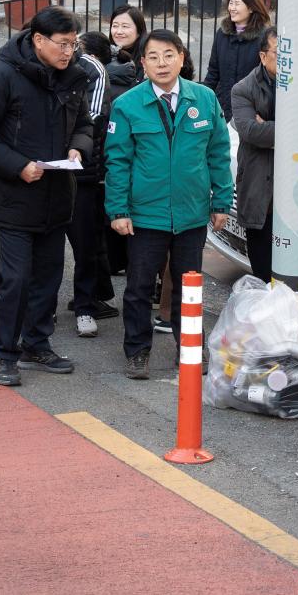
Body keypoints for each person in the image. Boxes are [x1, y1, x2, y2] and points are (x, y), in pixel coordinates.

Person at [0, 6, 94, 387]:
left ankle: (37, 343)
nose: (70, 51)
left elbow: (84, 123)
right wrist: (18, 165)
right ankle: (5, 353)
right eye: (63, 44)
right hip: (15, 196)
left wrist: (77, 149)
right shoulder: (0, 75)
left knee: (50, 276)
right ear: (38, 40)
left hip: (57, 194)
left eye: (74, 44)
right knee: (16, 278)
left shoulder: (73, 76)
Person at [104, 29, 233, 380]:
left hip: (191, 214)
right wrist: (118, 210)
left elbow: (219, 153)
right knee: (139, 287)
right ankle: (137, 351)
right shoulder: (127, 105)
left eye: (168, 55)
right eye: (153, 57)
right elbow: (117, 162)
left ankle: (189, 349)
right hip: (145, 216)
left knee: (188, 286)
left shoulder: (204, 99)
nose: (162, 63)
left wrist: (221, 201)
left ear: (181, 57)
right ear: (142, 63)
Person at [231, 26, 298, 329]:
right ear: (264, 56)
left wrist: (272, 128)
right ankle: (272, 338)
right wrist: (296, 131)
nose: (289, 62)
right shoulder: (243, 89)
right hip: (262, 197)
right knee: (265, 275)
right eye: (280, 54)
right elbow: (249, 131)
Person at [65, 31, 118, 338]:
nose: (65, 50)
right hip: (41, 169)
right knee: (39, 243)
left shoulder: (91, 68)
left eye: (69, 43)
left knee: (84, 244)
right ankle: (36, 306)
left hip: (83, 170)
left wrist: (63, 143)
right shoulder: (32, 66)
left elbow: (95, 120)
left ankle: (86, 306)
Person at [104, 5, 147, 275]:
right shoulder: (104, 58)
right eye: (115, 25)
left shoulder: (146, 60)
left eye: (125, 26)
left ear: (139, 30)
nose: (118, 31)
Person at [202, 0, 271, 122]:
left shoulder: (264, 37)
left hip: (252, 111)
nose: (232, 8)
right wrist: (202, 100)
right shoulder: (222, 33)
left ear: (251, 8)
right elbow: (213, 73)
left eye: (237, 4)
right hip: (223, 107)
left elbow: (269, 80)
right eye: (231, 3)